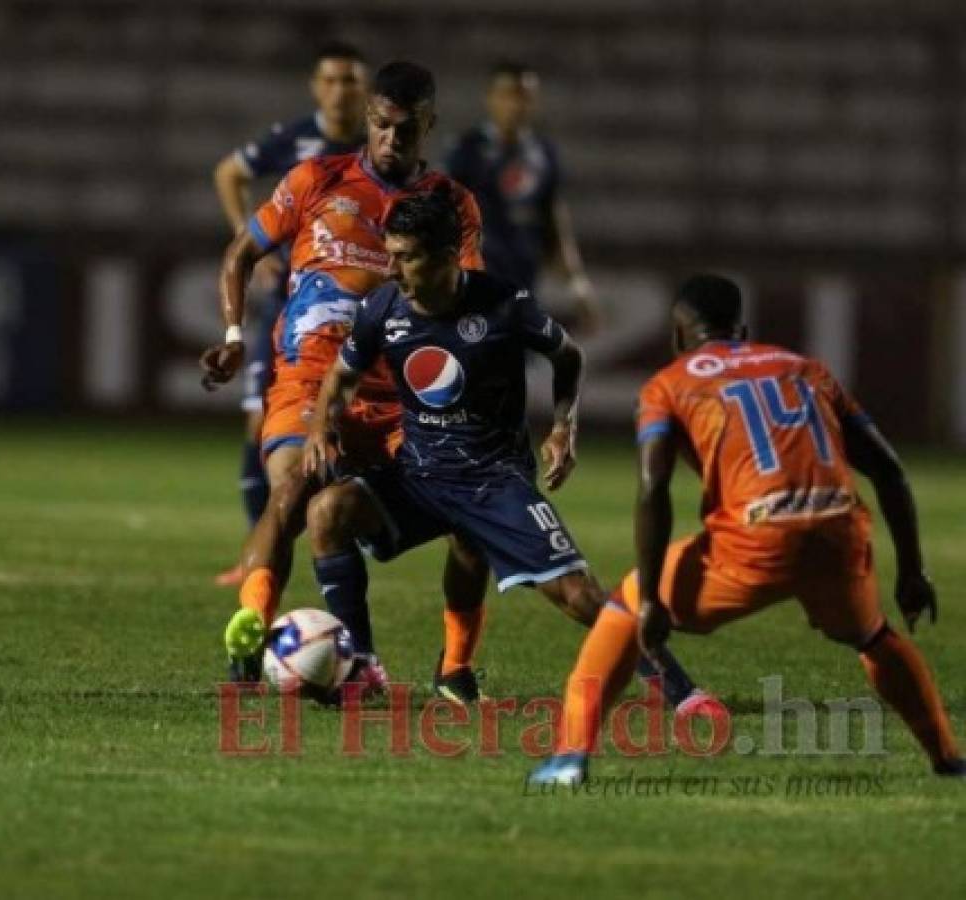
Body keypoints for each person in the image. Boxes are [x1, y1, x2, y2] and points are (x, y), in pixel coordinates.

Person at [530, 274, 963, 785]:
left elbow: (654, 489)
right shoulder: (806, 369)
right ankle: (947, 759)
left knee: (621, 606)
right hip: (836, 531)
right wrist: (911, 570)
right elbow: (889, 470)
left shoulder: (670, 383)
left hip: (754, 538)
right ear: (743, 329)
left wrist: (651, 597)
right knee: (872, 636)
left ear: (677, 335)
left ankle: (568, 758)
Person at [303, 191, 712, 710]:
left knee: (577, 593)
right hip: (420, 474)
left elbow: (567, 355)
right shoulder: (382, 307)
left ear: (449, 254)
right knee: (327, 512)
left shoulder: (503, 304)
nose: (394, 269)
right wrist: (322, 429)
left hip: (493, 480)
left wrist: (564, 426)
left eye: (407, 256)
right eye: (390, 254)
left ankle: (680, 690)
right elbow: (340, 378)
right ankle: (360, 664)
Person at [201, 61, 493, 699]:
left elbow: (470, 298)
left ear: (429, 126)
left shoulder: (451, 206)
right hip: (308, 381)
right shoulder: (314, 180)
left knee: (472, 519)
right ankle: (249, 632)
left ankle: (456, 666)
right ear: (368, 119)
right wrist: (231, 337)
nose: (392, 140)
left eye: (407, 130)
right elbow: (240, 254)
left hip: (403, 397)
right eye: (383, 126)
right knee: (293, 492)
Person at [210, 41, 368, 587]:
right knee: (262, 424)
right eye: (332, 79)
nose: (341, 90)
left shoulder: (383, 150)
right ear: (316, 86)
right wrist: (246, 235)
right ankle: (261, 551)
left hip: (360, 316)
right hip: (292, 306)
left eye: (351, 81)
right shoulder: (293, 139)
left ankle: (338, 529)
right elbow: (228, 172)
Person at [444, 61, 599, 330]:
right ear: (489, 99)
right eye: (507, 95)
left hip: (524, 281)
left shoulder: (543, 154)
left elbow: (553, 217)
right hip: (476, 282)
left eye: (523, 96)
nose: (515, 105)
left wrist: (577, 284)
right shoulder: (466, 151)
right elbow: (442, 213)